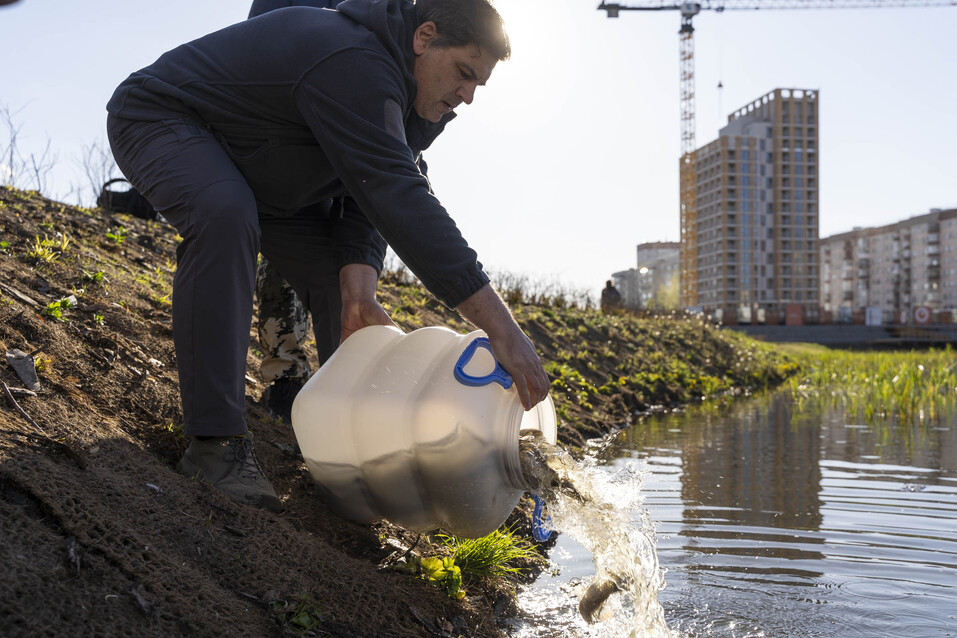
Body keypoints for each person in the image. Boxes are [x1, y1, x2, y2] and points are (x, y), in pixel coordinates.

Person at [106, 0, 550, 513]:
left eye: (480, 86)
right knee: (224, 213)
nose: (467, 97)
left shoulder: (423, 98)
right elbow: (397, 193)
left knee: (342, 289)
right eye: (464, 74)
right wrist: (503, 328)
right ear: (424, 37)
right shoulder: (354, 59)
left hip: (270, 176)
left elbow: (374, 182)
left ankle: (356, 462)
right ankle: (216, 444)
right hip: (165, 119)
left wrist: (358, 287)